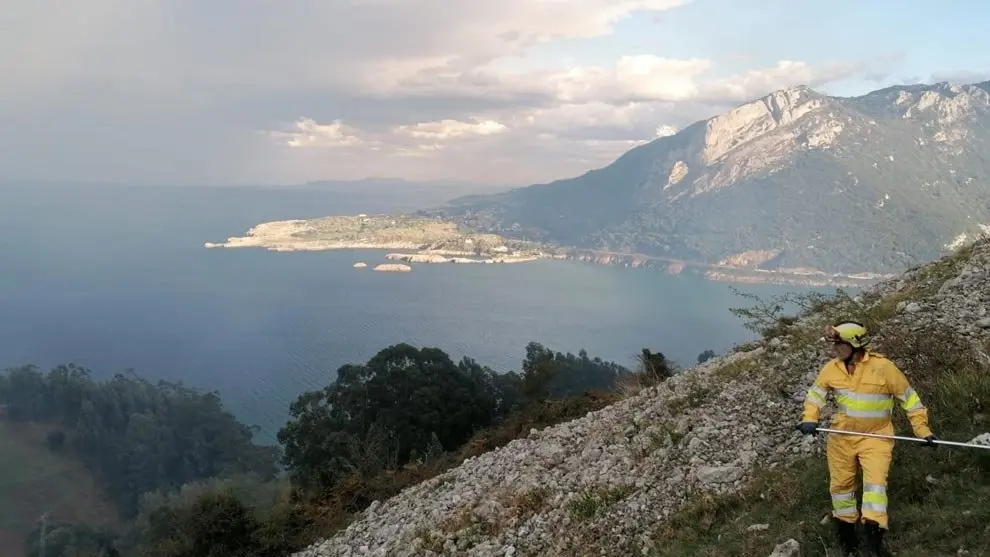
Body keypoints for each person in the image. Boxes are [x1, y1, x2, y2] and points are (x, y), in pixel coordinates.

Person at [796, 320, 936, 557]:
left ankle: (874, 543)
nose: (834, 349)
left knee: (875, 487)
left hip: (876, 437)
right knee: (841, 487)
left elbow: (910, 400)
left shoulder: (884, 368)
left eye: (838, 344)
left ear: (854, 344)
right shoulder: (831, 368)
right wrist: (810, 418)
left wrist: (922, 431)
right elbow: (815, 396)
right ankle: (848, 541)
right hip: (841, 437)